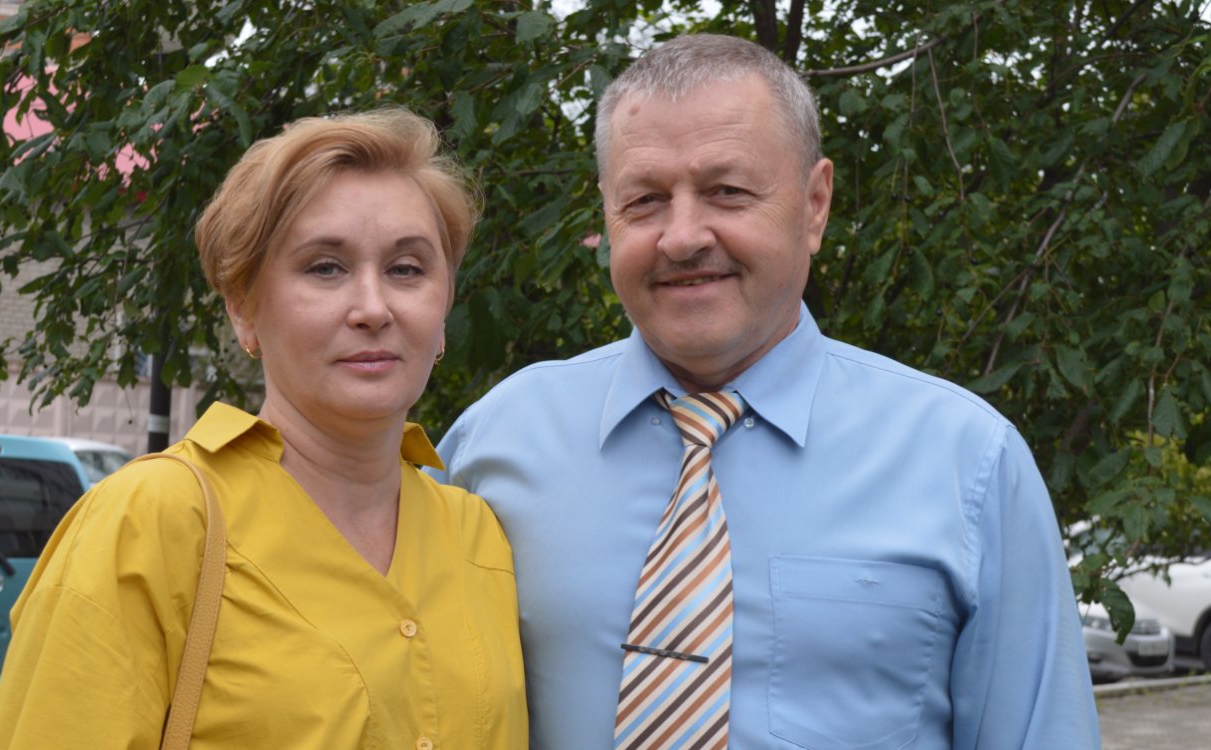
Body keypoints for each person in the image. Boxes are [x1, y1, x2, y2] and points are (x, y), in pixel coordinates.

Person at [432, 34, 1099, 749]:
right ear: (607, 213)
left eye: (728, 191)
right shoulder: (493, 445)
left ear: (815, 204)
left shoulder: (968, 462)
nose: (682, 237)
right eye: (645, 200)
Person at [0, 109, 527, 749]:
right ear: (243, 307)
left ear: (443, 307)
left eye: (407, 269)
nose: (373, 308)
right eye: (325, 267)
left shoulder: (478, 534)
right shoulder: (151, 521)